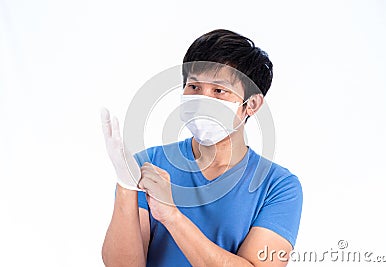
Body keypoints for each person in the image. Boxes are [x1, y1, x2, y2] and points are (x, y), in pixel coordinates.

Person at [101, 29, 302, 267]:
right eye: (194, 87)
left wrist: (172, 216)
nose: (202, 100)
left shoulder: (278, 186)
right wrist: (126, 187)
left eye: (219, 91)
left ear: (251, 104)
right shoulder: (150, 164)